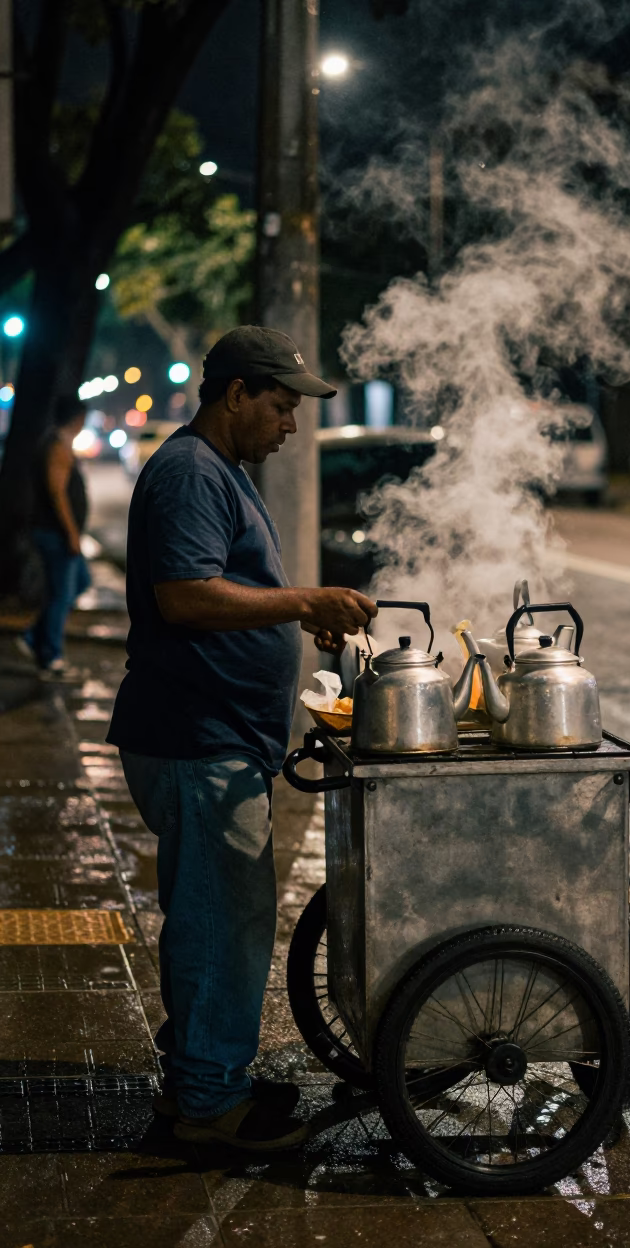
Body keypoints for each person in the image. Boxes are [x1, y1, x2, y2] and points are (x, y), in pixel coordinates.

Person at [106, 326, 377, 1151]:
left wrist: (299, 616)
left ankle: (200, 1073)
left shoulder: (216, 469)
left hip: (216, 735)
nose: (292, 425)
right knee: (221, 922)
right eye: (282, 405)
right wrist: (303, 604)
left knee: (216, 916)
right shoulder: (190, 472)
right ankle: (206, 1108)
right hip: (197, 738)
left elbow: (228, 588)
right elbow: (186, 596)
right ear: (236, 395)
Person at [19, 396, 92, 679]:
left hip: (54, 533)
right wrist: (72, 534)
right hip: (55, 534)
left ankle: (33, 637)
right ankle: (50, 655)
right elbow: (57, 493)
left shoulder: (57, 443)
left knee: (76, 584)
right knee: (61, 593)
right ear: (77, 418)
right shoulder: (58, 447)